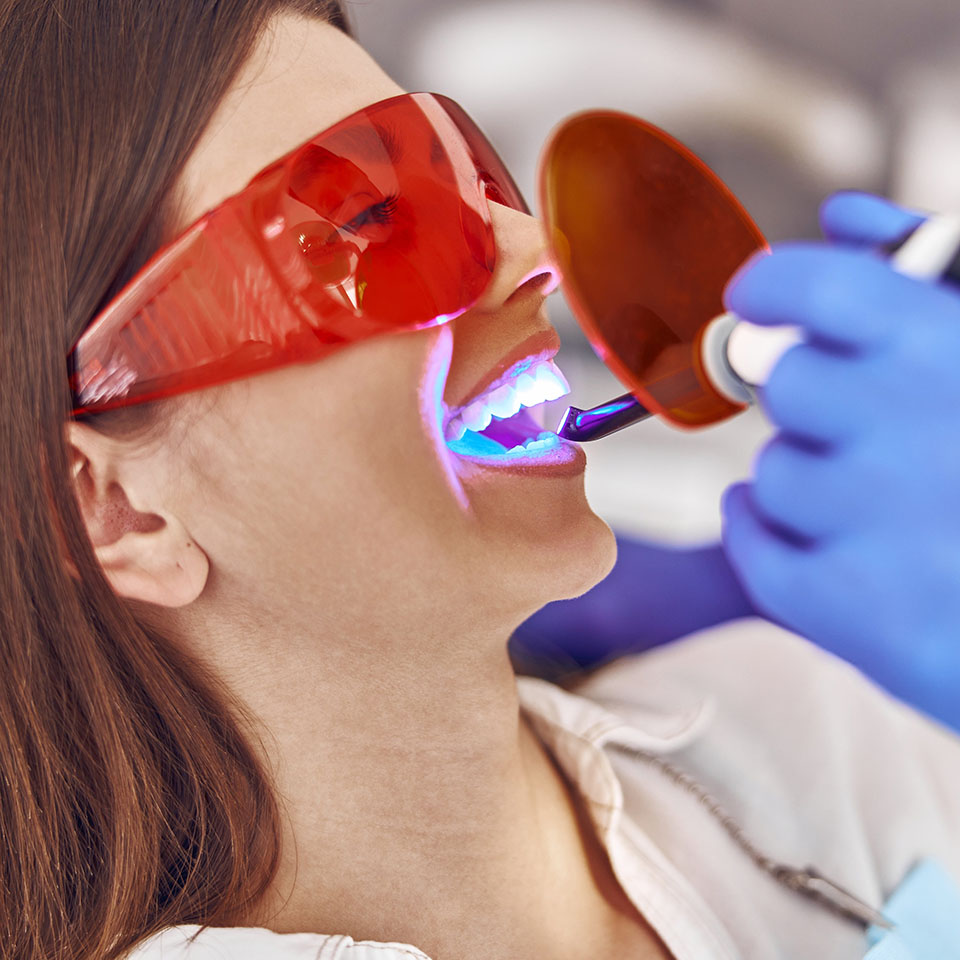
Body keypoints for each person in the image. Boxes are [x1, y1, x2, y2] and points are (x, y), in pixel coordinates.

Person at [2, 3, 959, 960]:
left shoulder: (813, 722)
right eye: (368, 226)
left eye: (471, 180)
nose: (541, 253)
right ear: (114, 510)